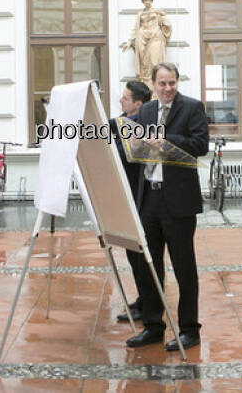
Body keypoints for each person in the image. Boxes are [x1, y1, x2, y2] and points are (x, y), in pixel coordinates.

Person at [127, 62, 208, 351]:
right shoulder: (146, 111)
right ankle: (153, 326)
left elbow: (200, 144)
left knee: (185, 268)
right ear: (153, 84)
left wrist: (167, 140)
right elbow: (136, 148)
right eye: (162, 84)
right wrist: (135, 143)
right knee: (149, 265)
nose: (167, 89)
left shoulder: (192, 107)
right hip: (149, 197)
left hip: (179, 200)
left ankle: (189, 329)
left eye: (172, 83)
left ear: (177, 82)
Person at [110, 79, 152, 324]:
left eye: (125, 98)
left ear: (138, 104)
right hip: (123, 197)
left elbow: (127, 155)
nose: (120, 100)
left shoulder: (140, 128)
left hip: (138, 198)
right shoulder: (120, 122)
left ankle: (147, 304)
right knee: (131, 253)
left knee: (140, 255)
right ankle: (142, 299)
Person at [120, 0, 172, 88]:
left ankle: (157, 85)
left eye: (148, 0)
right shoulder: (140, 14)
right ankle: (147, 86)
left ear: (151, 1)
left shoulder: (157, 12)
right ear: (143, 2)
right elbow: (135, 29)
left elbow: (165, 22)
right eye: (144, 0)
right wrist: (129, 41)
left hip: (155, 37)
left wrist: (166, 24)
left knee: (155, 61)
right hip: (142, 37)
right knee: (144, 64)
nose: (147, 2)